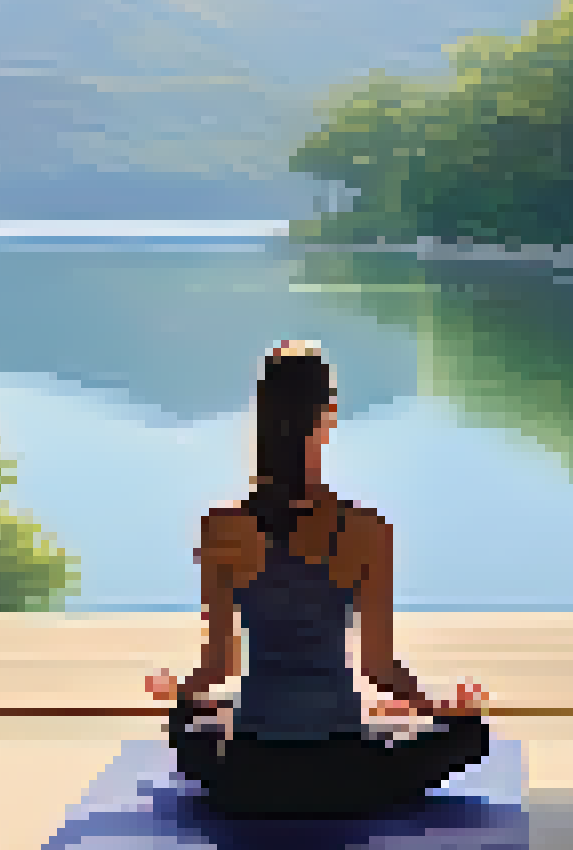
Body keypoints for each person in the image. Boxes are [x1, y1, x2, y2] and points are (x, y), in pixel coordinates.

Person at [143, 340, 493, 818]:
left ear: (261, 414)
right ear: (327, 416)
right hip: (345, 771)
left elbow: (219, 667)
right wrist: (439, 707)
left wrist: (179, 691)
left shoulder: (221, 526)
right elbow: (379, 668)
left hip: (249, 774)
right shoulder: (366, 529)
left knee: (189, 721)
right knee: (470, 731)